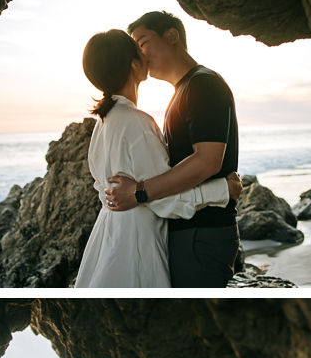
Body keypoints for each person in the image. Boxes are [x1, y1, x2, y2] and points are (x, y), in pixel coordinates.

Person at [75, 28, 242, 287]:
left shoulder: (103, 123)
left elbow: (109, 192)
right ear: (134, 64)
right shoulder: (137, 122)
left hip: (109, 239)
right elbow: (163, 201)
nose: (144, 54)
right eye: (138, 49)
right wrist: (223, 190)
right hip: (136, 244)